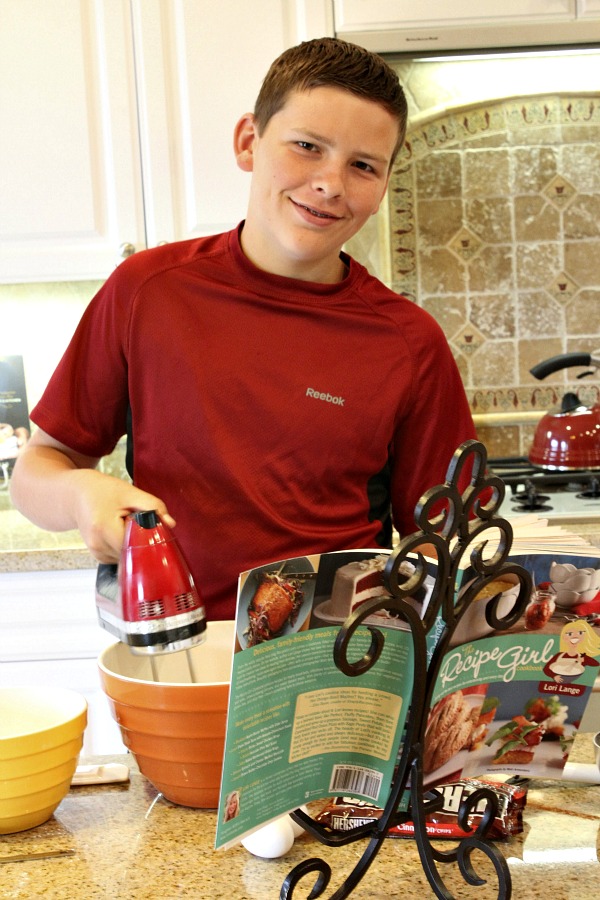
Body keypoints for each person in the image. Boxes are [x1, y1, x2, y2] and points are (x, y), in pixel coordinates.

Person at [10, 37, 477, 621]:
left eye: (362, 166)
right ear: (248, 142)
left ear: (382, 186)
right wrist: (82, 494)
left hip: (342, 662)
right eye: (307, 146)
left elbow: (452, 541)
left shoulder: (409, 342)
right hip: (179, 645)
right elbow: (37, 468)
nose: (331, 182)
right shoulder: (147, 291)